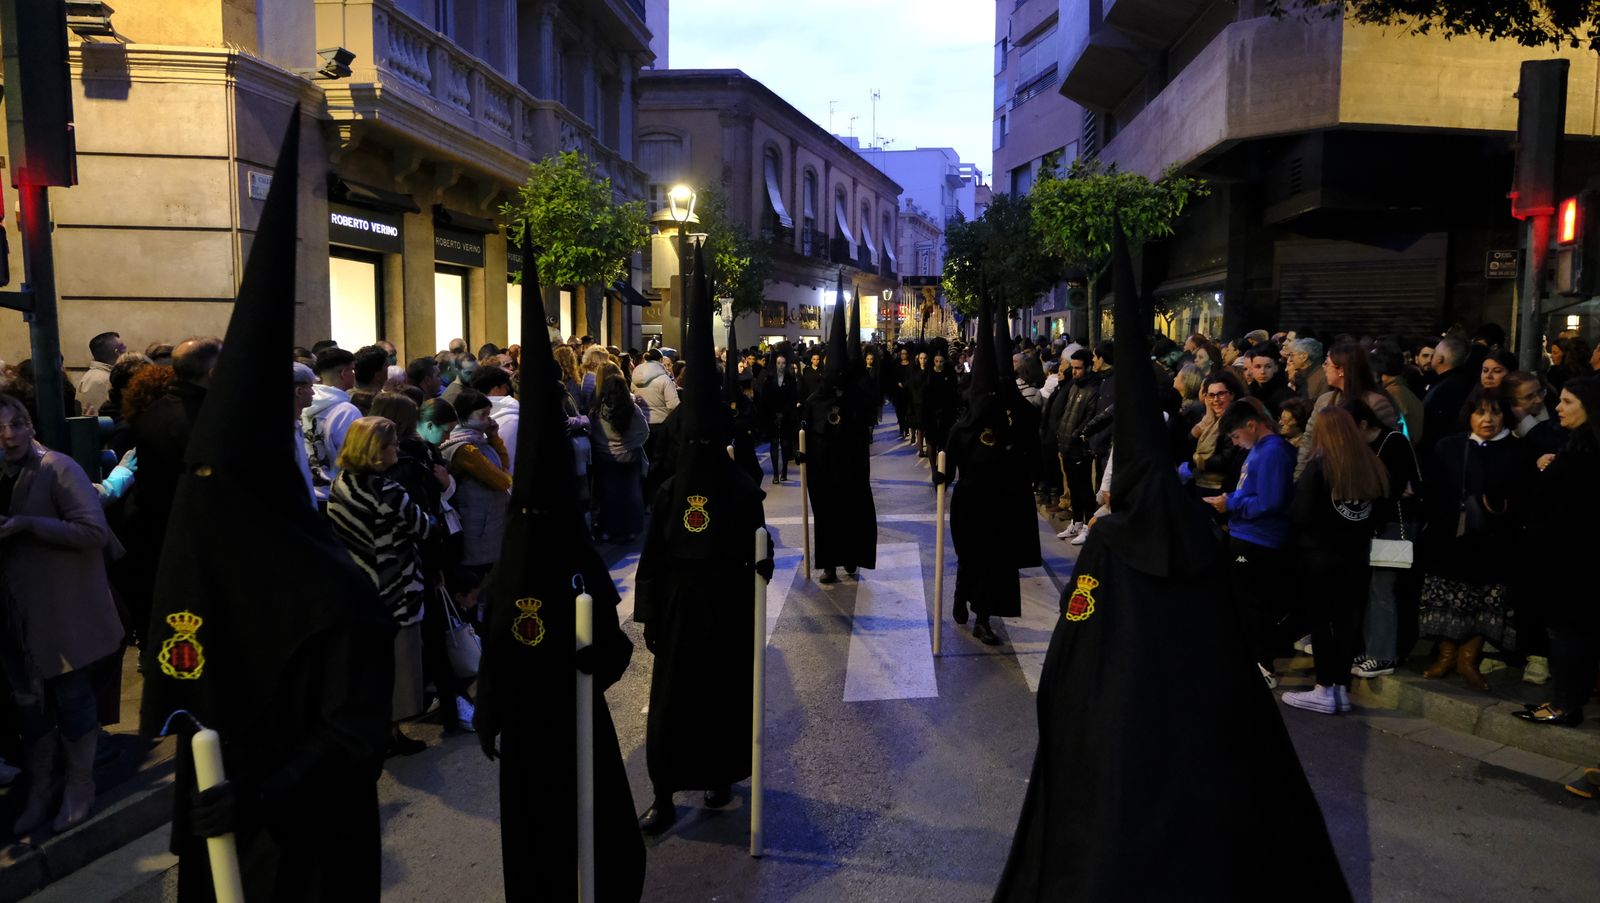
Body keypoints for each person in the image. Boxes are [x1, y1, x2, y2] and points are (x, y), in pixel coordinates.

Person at [993, 220, 1349, 900]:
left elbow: (1074, 637)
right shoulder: (1195, 527)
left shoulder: (1106, 541)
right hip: (1204, 731)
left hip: (1124, 733)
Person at [139, 117, 394, 898]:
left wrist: (260, 794)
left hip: (311, 850)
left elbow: (353, 731)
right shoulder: (205, 583)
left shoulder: (338, 593)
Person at [635, 246, 771, 835]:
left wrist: (760, 572)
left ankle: (719, 778)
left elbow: (761, 550)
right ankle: (664, 793)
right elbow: (653, 554)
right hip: (680, 608)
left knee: (720, 701)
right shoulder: (674, 494)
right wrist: (648, 615)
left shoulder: (740, 489)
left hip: (723, 608)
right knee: (670, 708)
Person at [0, 394, 126, 834]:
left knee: (72, 699)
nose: (10, 435)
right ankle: (40, 789)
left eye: (17, 423)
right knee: (30, 709)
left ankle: (79, 785)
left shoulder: (56, 467)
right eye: (1, 428)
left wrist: (29, 525)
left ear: (31, 425)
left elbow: (92, 531)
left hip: (62, 612)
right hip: (14, 616)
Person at [327, 416, 442, 756]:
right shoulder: (387, 490)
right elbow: (424, 527)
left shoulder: (342, 483)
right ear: (376, 452)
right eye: (391, 444)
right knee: (398, 665)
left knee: (370, 666)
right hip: (396, 586)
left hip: (359, 584)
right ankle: (391, 733)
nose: (397, 449)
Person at [1417, 385, 1532, 690]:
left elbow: (1523, 499)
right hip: (1449, 541)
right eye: (1480, 412)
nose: (1488, 419)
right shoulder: (1448, 447)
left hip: (1494, 544)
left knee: (1482, 603)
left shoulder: (1518, 451)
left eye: (1495, 412)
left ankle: (1469, 659)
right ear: (1469, 414)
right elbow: (1431, 491)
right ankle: (1445, 655)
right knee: (1447, 599)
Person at [941, 297, 1041, 645]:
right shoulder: (961, 429)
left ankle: (983, 617)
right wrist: (942, 477)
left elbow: (1030, 434)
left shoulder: (1010, 424)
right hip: (968, 503)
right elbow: (948, 465)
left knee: (992, 563)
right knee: (970, 558)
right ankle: (959, 594)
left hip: (999, 504)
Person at [372, 393, 473, 734]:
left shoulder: (359, 475)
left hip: (385, 572)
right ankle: (449, 706)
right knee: (431, 637)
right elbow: (424, 520)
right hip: (413, 566)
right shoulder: (407, 467)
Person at [1280, 407, 1387, 714]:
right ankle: (1339, 687)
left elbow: (1299, 514)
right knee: (1346, 624)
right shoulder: (1370, 465)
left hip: (1319, 558)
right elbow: (1377, 512)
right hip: (1356, 559)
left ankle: (1324, 688)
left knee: (1322, 624)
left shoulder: (1320, 467)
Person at [1515, 376, 1600, 727]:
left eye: (1567, 402)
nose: (1558, 408)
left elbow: (1571, 510)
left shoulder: (1588, 453)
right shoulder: (1577, 444)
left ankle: (1566, 705)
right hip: (1570, 559)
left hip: (1573, 562)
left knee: (1568, 634)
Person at [1205, 399, 1296, 685]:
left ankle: (1264, 665)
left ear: (1252, 425)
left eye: (1236, 436)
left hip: (1259, 539)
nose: (1236, 442)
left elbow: (1270, 501)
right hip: (1246, 534)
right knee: (1246, 602)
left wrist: (1231, 502)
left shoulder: (1272, 452)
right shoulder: (1260, 449)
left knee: (1256, 604)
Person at [1344, 399, 1424, 680]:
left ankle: (1382, 655)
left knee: (1383, 588)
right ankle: (1371, 649)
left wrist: (1378, 489)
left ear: (1363, 424)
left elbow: (1396, 488)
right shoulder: (1364, 446)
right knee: (1371, 588)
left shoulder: (1394, 442)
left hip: (1393, 526)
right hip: (1375, 524)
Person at [802, 297, 879, 584]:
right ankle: (829, 565)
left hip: (851, 470)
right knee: (827, 518)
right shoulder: (814, 401)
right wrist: (803, 454)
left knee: (852, 514)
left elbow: (865, 425)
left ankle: (850, 557)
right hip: (824, 473)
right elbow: (807, 431)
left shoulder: (856, 398)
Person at [440, 388, 512, 596]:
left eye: (489, 414)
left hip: (488, 521)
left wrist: (494, 436)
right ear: (464, 415)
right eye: (483, 415)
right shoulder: (463, 448)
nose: (488, 420)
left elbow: (503, 463)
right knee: (479, 583)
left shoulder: (480, 439)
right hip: (477, 524)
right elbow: (499, 480)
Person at [590, 374, 649, 542]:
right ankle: (629, 530)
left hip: (604, 458)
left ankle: (608, 529)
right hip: (629, 457)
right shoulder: (632, 409)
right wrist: (631, 444)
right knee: (630, 494)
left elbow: (593, 432)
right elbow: (644, 431)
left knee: (607, 496)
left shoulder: (596, 410)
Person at [302, 346, 362, 504]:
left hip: (307, 491)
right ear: (343, 373)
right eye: (352, 370)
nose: (354, 375)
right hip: (336, 495)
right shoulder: (346, 411)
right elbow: (354, 457)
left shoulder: (303, 403)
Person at [1054, 349, 1100, 540]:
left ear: (1088, 367)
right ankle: (1077, 521)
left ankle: (1087, 525)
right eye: (1072, 368)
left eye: (1078, 368)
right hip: (1067, 445)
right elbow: (1065, 413)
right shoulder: (1074, 387)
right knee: (1073, 486)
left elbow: (1089, 418)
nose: (1074, 372)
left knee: (1084, 488)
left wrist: (1076, 435)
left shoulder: (1093, 390)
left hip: (1080, 448)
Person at [1421, 336, 1474, 458]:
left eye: (1433, 354)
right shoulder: (1453, 381)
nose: (1430, 358)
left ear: (1440, 359)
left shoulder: (1448, 387)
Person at [469, 365, 521, 473]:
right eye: (505, 386)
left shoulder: (467, 416)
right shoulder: (514, 419)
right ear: (496, 389)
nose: (507, 389)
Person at [757, 352, 799, 484]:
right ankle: (775, 473)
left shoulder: (790, 379)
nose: (781, 365)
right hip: (772, 417)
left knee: (785, 445)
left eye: (783, 363)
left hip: (786, 417)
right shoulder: (769, 380)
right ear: (775, 364)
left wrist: (785, 413)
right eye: (778, 363)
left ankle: (784, 471)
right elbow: (765, 399)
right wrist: (774, 414)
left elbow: (792, 398)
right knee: (774, 444)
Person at [76, 331, 126, 416]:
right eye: (123, 348)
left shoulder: (97, 376)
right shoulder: (100, 380)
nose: (125, 351)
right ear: (117, 352)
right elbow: (100, 418)